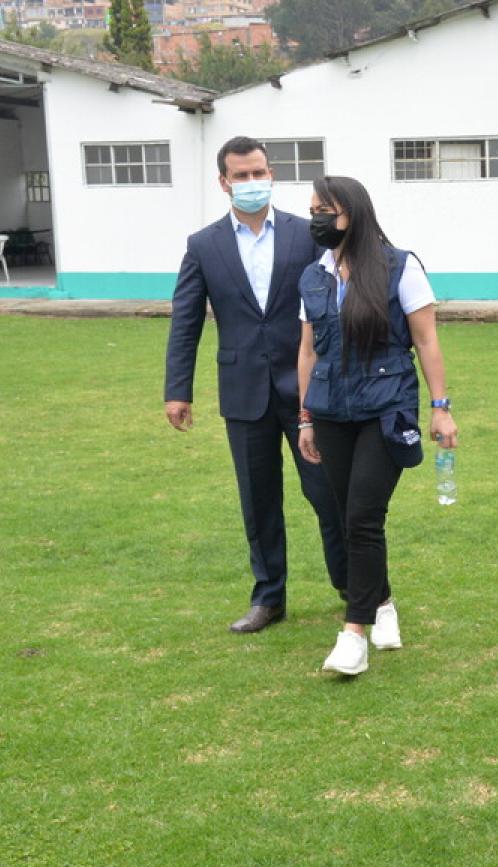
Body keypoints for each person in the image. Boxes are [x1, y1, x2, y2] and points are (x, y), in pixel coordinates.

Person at [164, 135, 348, 634]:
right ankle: (269, 598)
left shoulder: (304, 234)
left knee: (327, 492)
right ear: (223, 183)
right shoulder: (203, 246)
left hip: (308, 391)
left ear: (271, 174)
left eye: (259, 173)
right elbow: (186, 321)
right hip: (244, 392)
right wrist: (177, 389)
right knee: (258, 499)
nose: (252, 182)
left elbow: (337, 300)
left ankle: (354, 589)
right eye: (241, 176)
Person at [297, 175, 457, 676]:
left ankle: (353, 634)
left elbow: (426, 340)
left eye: (327, 210)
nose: (318, 219)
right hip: (328, 412)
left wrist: (440, 405)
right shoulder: (314, 276)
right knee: (350, 516)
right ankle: (382, 602)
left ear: (355, 213)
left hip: (386, 406)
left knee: (364, 515)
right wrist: (304, 416)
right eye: (313, 210)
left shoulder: (400, 267)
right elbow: (307, 350)